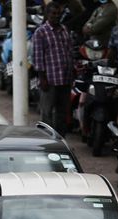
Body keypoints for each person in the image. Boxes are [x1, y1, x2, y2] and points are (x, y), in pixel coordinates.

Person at [31, 2, 75, 136]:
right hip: (49, 80)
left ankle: (61, 142)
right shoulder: (41, 32)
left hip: (65, 79)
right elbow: (38, 58)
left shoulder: (64, 30)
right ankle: (46, 142)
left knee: (62, 113)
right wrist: (42, 78)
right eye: (53, 13)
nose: (56, 16)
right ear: (47, 14)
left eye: (58, 14)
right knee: (47, 113)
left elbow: (69, 52)